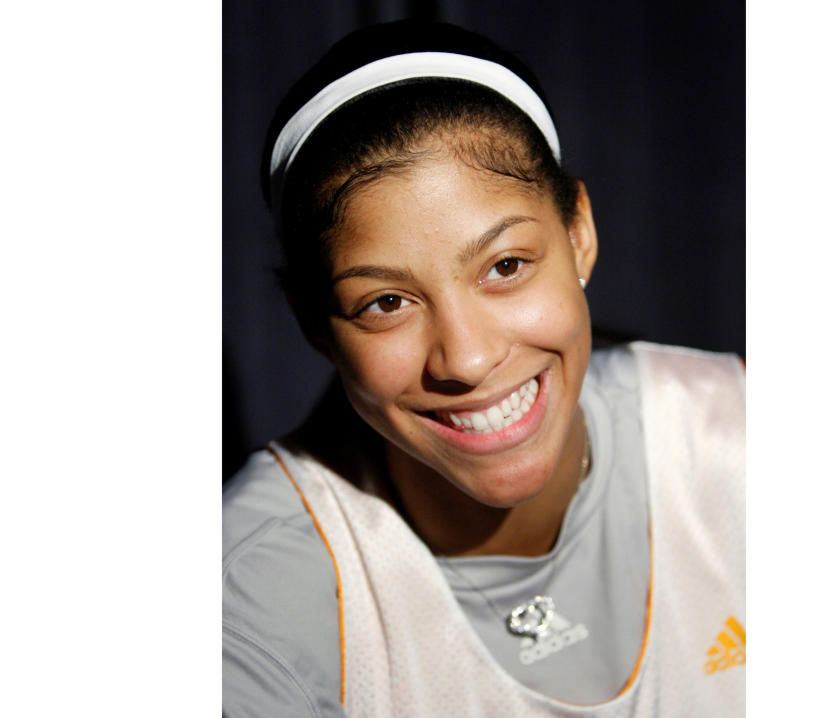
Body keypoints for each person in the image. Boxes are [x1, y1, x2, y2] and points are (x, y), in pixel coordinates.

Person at [223, 19, 744, 717]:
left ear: (579, 234)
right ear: (316, 326)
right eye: (386, 302)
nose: (466, 359)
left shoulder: (737, 437)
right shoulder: (247, 602)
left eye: (505, 266)